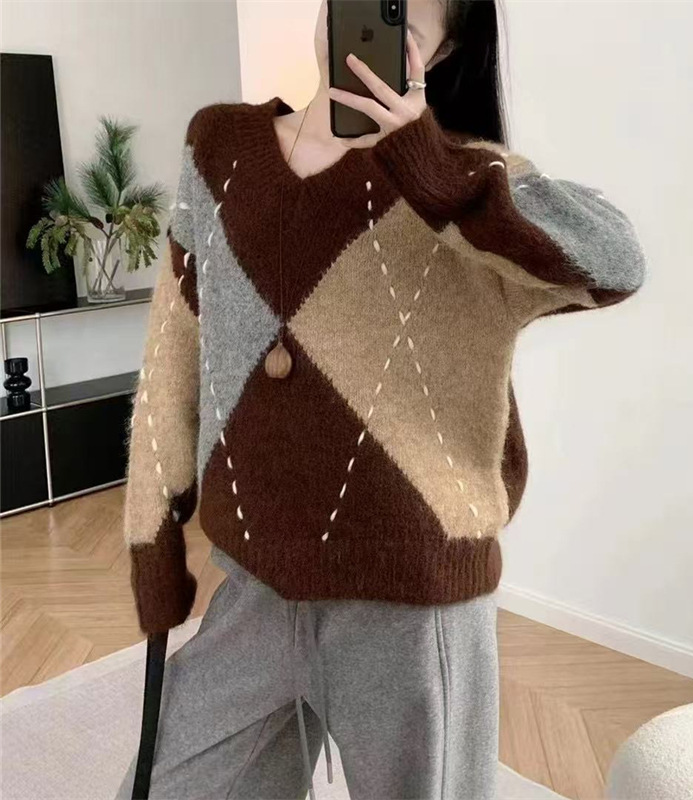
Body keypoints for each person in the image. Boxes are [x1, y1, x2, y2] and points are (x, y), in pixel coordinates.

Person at [116, 0, 647, 798]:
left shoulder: (465, 183)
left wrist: (433, 170)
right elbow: (173, 351)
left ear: (448, 46)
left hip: (412, 612)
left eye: (403, 13)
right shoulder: (219, 147)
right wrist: (150, 535)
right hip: (255, 589)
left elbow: (615, 262)